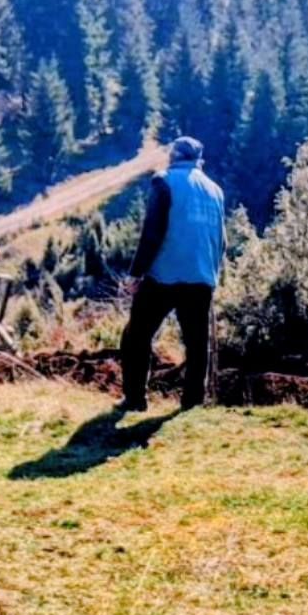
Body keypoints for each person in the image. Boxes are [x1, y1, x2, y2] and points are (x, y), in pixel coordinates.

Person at [119, 136, 226, 412]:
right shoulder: (215, 190)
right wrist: (213, 273)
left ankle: (135, 400)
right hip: (201, 276)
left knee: (136, 336)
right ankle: (192, 403)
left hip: (164, 275)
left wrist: (135, 274)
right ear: (198, 159)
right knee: (196, 342)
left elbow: (153, 232)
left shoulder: (163, 181)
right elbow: (222, 240)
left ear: (173, 156)